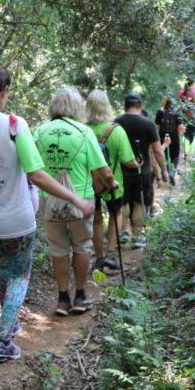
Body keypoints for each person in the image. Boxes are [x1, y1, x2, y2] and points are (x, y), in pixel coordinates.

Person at [0, 63, 93, 361]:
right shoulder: (14, 126)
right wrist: (76, 199)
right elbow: (37, 175)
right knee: (18, 277)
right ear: (4, 93)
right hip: (16, 222)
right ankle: (3, 340)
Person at [33, 88, 115, 316]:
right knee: (81, 246)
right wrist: (111, 184)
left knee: (58, 249)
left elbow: (32, 168)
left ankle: (62, 299)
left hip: (49, 199)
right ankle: (80, 295)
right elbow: (103, 170)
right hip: (81, 199)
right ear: (77, 107)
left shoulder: (39, 132)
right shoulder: (85, 132)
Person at [85, 90, 139, 272]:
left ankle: (99, 258)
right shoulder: (116, 131)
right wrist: (138, 163)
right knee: (116, 215)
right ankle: (110, 254)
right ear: (106, 106)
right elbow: (128, 161)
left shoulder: (82, 130)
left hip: (89, 184)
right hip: (113, 183)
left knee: (96, 219)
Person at [115, 93, 167, 249]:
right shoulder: (148, 124)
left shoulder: (116, 123)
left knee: (123, 203)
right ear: (140, 106)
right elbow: (157, 150)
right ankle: (137, 237)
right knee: (139, 203)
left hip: (121, 171)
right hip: (143, 171)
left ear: (125, 106)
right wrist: (164, 170)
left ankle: (123, 232)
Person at [154, 97, 182, 185]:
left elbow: (156, 126)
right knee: (175, 155)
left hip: (162, 136)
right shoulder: (176, 112)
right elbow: (180, 127)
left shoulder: (160, 112)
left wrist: (156, 137)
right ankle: (172, 173)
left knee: (163, 155)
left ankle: (165, 172)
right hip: (174, 136)